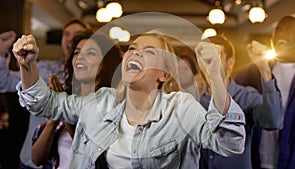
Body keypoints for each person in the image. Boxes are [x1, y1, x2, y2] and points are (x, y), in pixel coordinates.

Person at [13, 32, 246, 168]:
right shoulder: (100, 102)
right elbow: (45, 104)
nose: (135, 52)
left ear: (164, 74)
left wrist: (215, 74)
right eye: (133, 48)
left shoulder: (180, 107)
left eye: (149, 51)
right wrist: (27, 65)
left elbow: (229, 143)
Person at [0, 19, 92, 168]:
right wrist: (2, 50)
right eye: (66, 34)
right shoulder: (43, 68)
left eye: (77, 34)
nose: (70, 38)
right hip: (33, 160)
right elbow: (4, 82)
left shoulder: (96, 84)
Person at [31, 31, 123, 168]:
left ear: (105, 63)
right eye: (77, 53)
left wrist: (64, 114)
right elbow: (37, 159)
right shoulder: (65, 99)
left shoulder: (111, 104)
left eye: (90, 53)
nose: (80, 57)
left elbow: (91, 154)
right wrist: (54, 119)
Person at [198, 35, 283, 169]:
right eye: (204, 57)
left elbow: (273, 121)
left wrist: (264, 69)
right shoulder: (195, 100)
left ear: (230, 63)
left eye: (216, 56)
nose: (209, 62)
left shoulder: (246, 97)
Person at [246, 16, 295, 169]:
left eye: (288, 29)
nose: (281, 33)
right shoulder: (257, 71)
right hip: (259, 159)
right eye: (278, 30)